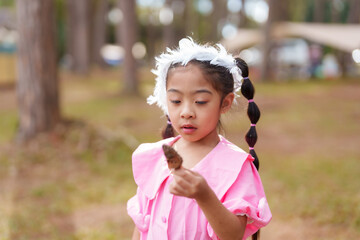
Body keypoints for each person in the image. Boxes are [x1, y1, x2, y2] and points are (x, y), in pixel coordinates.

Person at [127, 37, 272, 240]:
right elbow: (142, 225)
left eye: (200, 101)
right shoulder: (155, 157)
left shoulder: (235, 166)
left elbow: (233, 235)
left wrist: (204, 196)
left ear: (225, 103)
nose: (186, 112)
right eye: (176, 101)